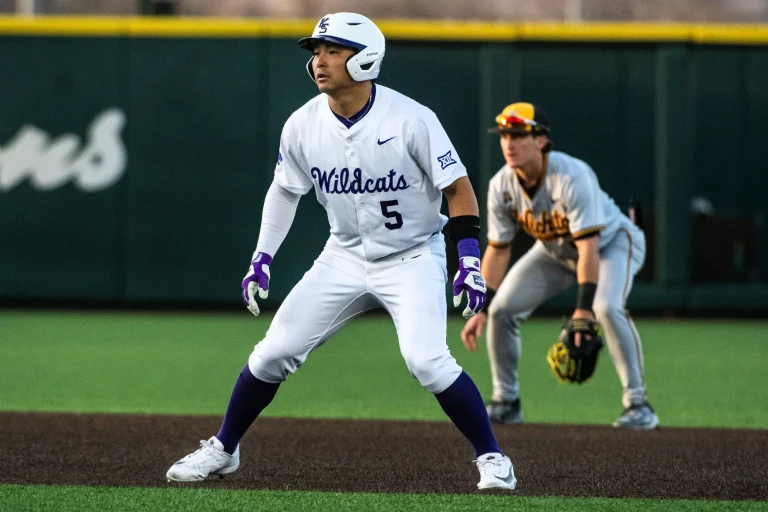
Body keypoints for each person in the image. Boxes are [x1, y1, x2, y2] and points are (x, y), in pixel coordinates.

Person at [166, 13, 516, 491]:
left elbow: (458, 190)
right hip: (345, 257)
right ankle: (224, 449)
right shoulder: (302, 125)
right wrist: (261, 257)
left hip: (413, 255)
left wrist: (469, 260)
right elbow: (285, 191)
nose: (319, 61)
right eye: (316, 51)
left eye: (332, 49)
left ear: (366, 57)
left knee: (427, 361)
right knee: (273, 354)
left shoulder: (411, 118)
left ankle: (493, 457)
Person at [461, 102, 659, 430]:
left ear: (541, 140)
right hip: (555, 252)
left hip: (612, 244)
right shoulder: (501, 186)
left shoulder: (571, 175)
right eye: (504, 135)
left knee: (606, 307)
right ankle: (506, 401)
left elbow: (589, 246)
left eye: (518, 134)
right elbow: (498, 250)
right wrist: (481, 305)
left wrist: (583, 311)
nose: (508, 143)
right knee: (500, 311)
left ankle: (639, 404)